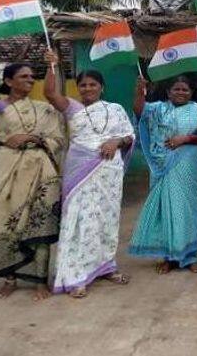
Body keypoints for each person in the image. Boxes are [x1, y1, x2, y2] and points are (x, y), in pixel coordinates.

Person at [44, 50, 134, 298]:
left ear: (101, 87)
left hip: (108, 174)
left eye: (92, 84)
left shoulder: (114, 109)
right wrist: (51, 65)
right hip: (79, 173)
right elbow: (51, 93)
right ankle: (75, 275)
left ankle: (105, 266)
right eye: (82, 85)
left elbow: (129, 136)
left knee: (106, 219)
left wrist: (116, 141)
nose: (87, 88)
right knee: (78, 219)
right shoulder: (72, 107)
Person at [0, 49, 65, 302]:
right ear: (8, 81)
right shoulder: (0, 107)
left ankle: (39, 281)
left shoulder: (43, 109)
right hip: (8, 173)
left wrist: (52, 67)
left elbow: (57, 139)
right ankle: (10, 279)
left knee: (39, 224)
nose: (30, 80)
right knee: (7, 223)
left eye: (32, 76)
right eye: (24, 76)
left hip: (41, 174)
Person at [128, 76, 197, 274]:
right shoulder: (157, 109)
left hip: (188, 164)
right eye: (177, 89)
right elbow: (139, 111)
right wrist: (139, 90)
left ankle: (191, 256)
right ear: (168, 92)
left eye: (185, 90)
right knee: (165, 211)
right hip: (161, 165)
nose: (181, 93)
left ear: (191, 93)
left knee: (188, 211)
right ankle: (168, 257)